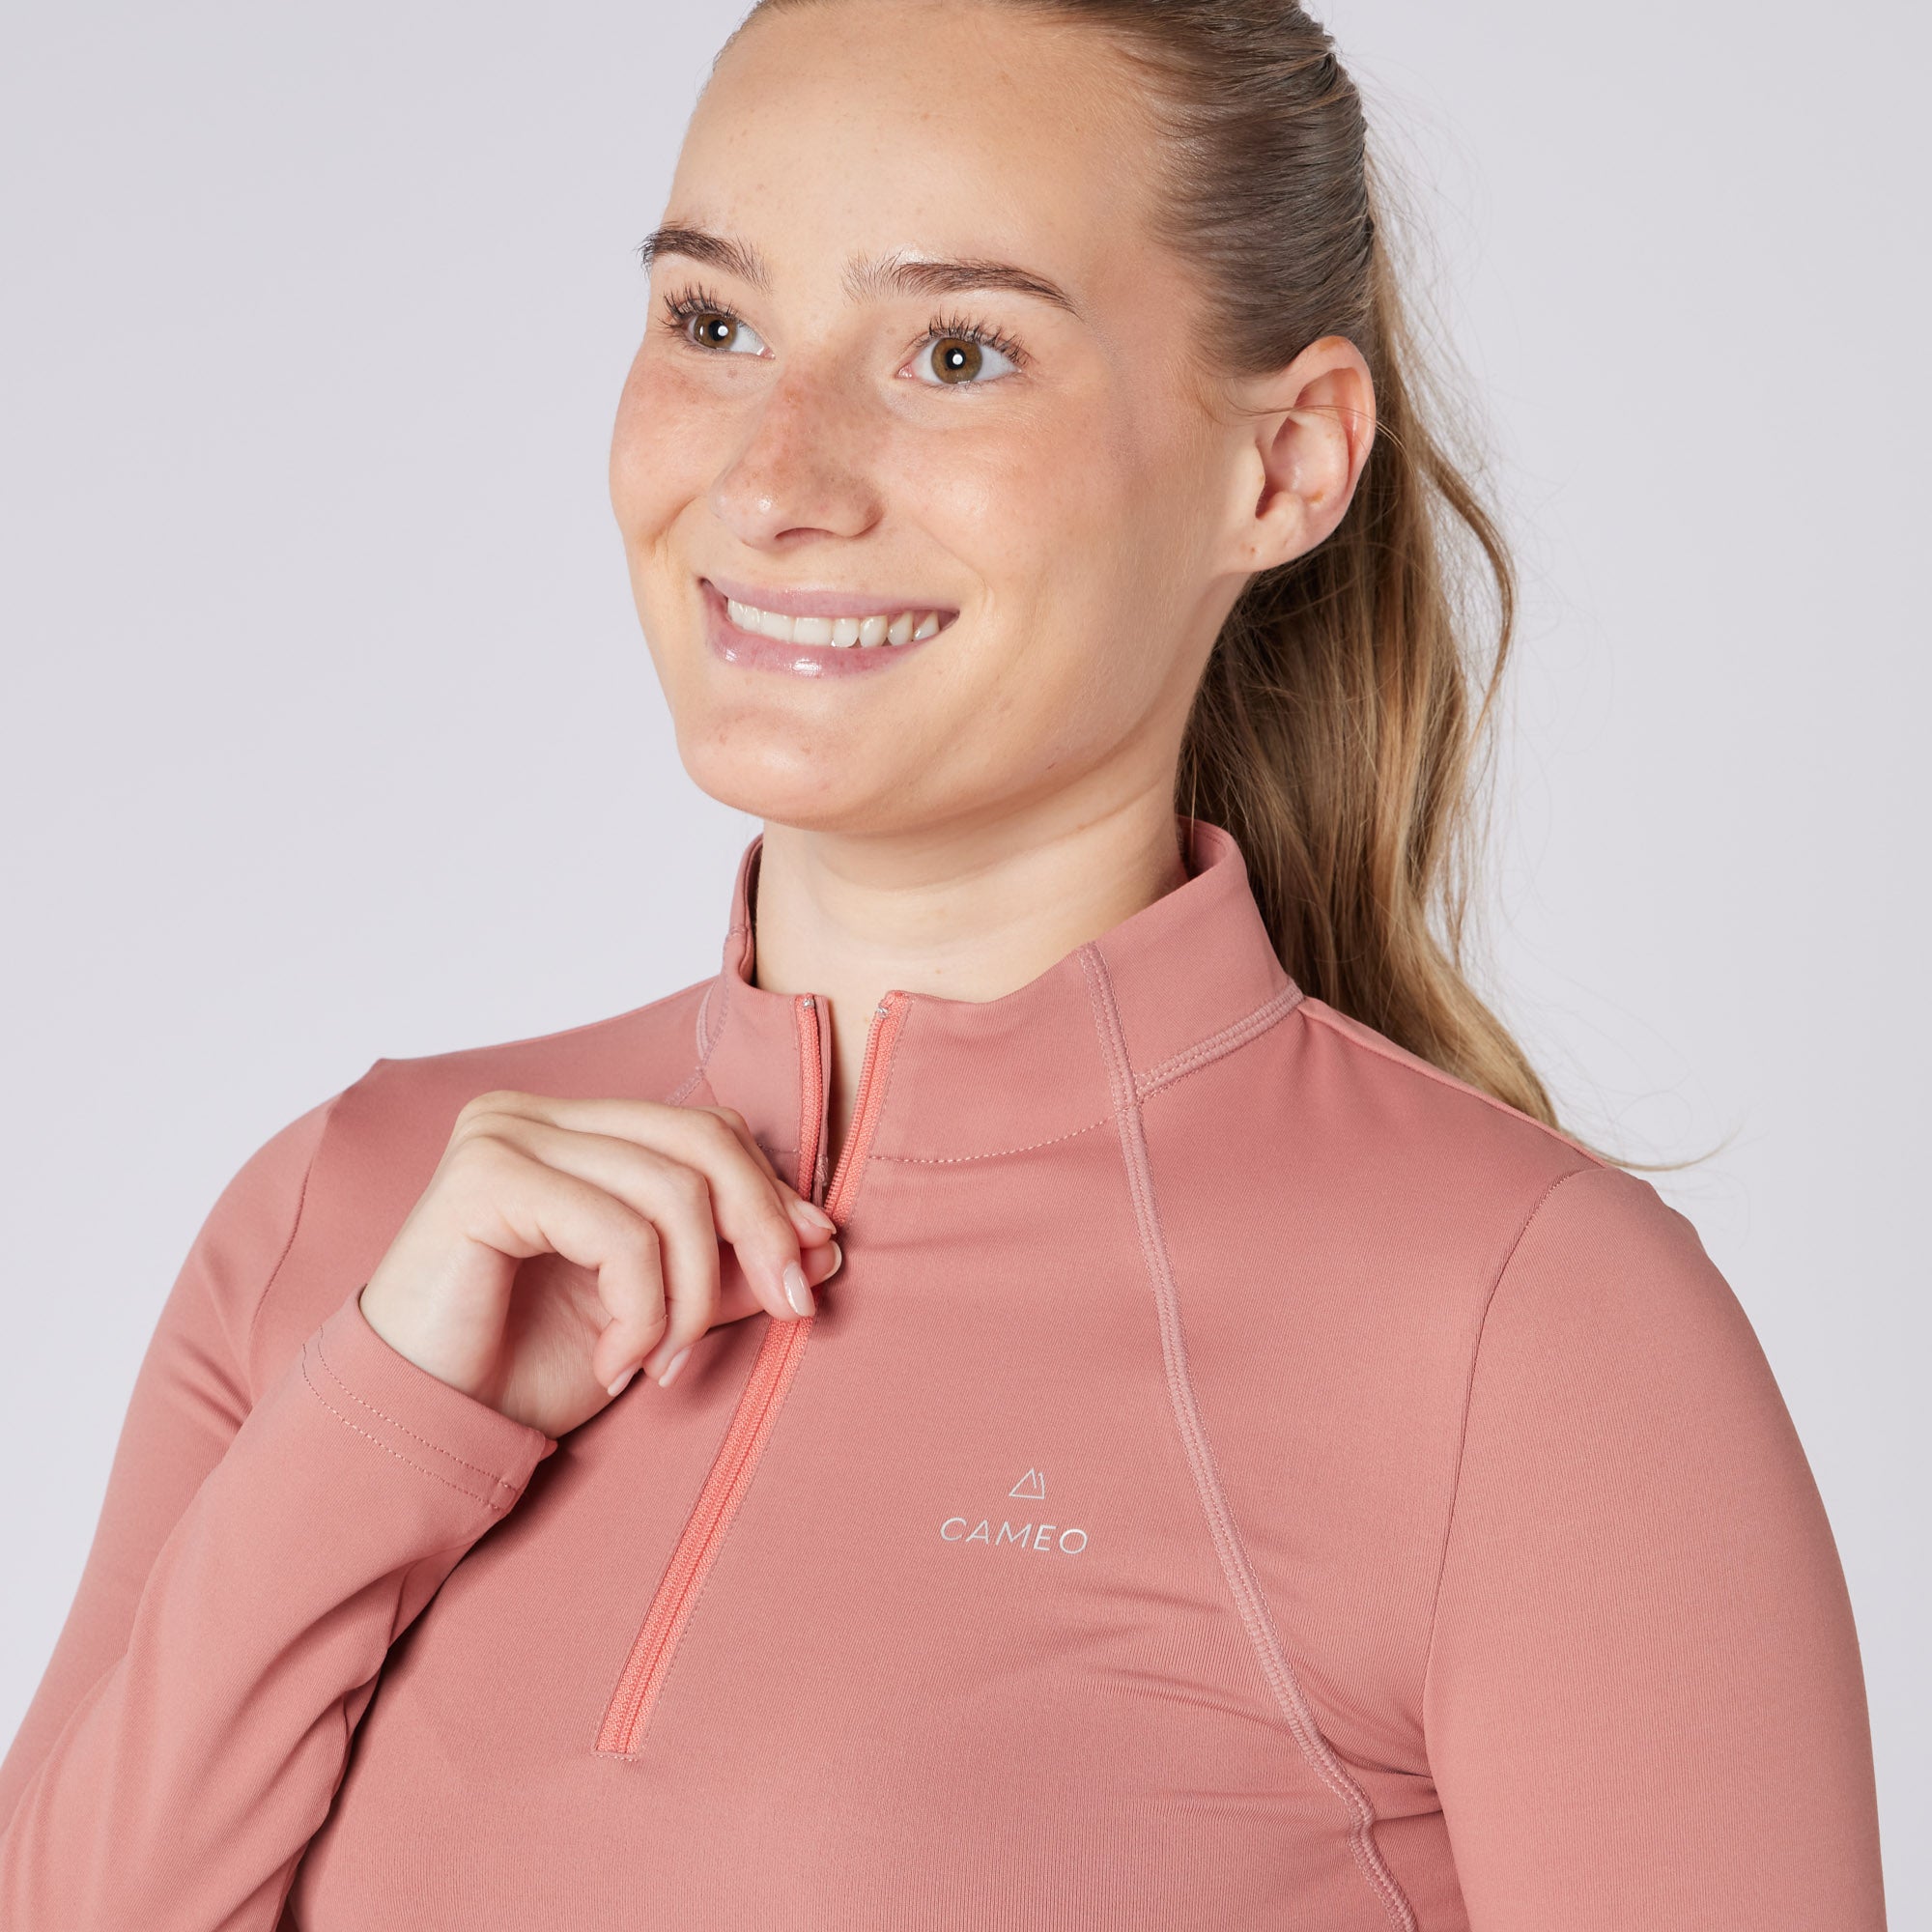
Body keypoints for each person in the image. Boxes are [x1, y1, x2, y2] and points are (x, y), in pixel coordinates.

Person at [0, 0, 1888, 1925]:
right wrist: (391, 1416)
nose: (774, 476)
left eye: (959, 352)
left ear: (1286, 463)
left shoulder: (1520, 1328)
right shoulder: (352, 1216)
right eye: (713, 323)